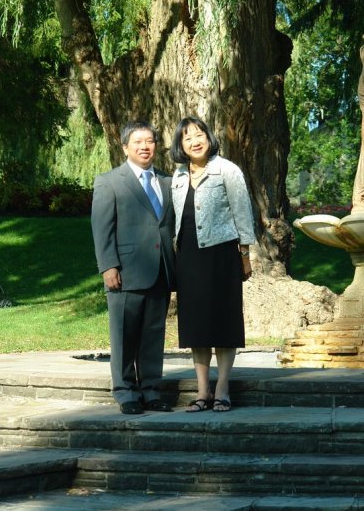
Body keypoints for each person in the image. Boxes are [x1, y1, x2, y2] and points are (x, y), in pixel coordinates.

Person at [170, 116, 255, 412]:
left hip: (222, 256)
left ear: (209, 136)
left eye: (199, 134)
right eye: (187, 137)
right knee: (196, 325)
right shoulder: (178, 175)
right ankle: (202, 391)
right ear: (180, 145)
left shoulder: (227, 170)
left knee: (224, 322)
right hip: (189, 256)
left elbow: (243, 213)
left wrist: (245, 256)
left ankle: (222, 388)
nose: (195, 141)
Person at [91, 120, 176, 414]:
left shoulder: (167, 181)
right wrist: (108, 266)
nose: (144, 147)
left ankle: (151, 389)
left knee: (153, 335)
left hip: (161, 269)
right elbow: (102, 228)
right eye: (138, 142)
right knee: (124, 334)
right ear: (125, 146)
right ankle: (125, 391)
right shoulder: (109, 181)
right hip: (125, 272)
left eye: (150, 141)